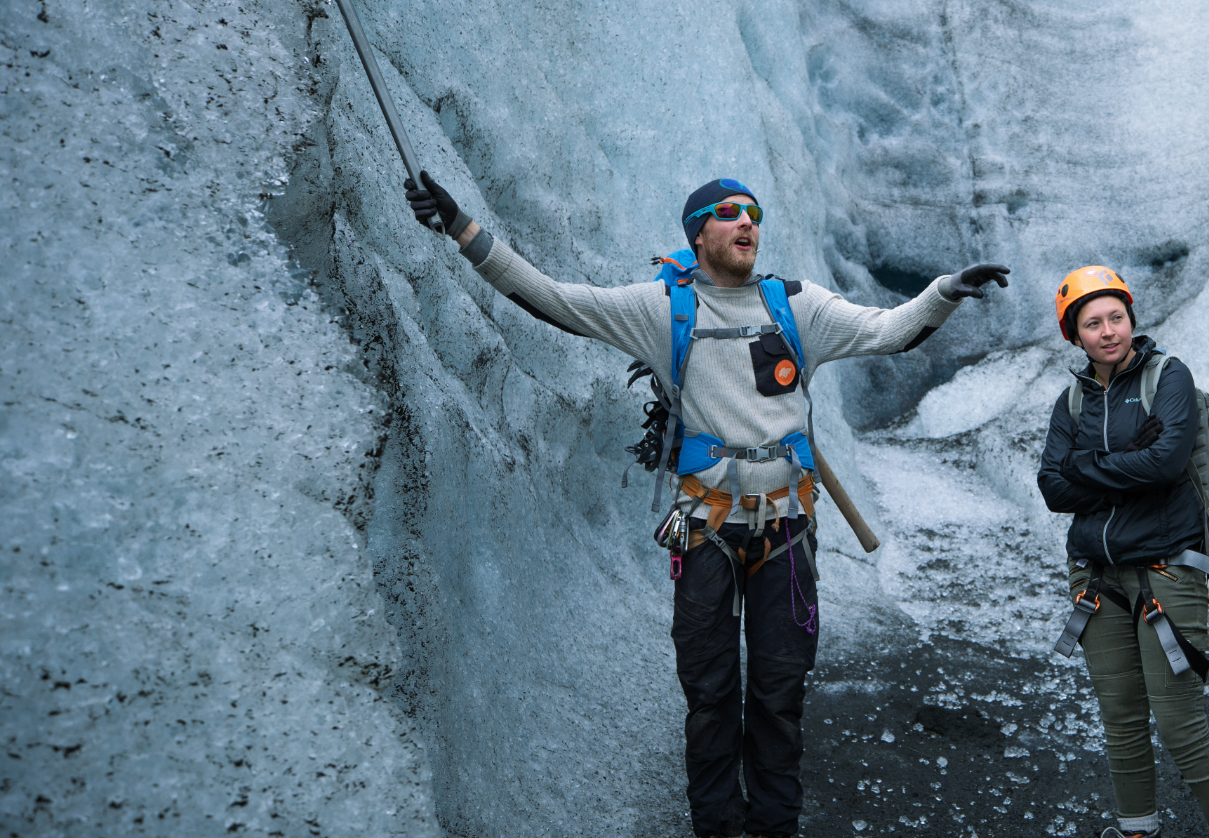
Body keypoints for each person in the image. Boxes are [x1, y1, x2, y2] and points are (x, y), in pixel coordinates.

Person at [404, 172, 1008, 838]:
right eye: (728, 213)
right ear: (698, 233)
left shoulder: (797, 305)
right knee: (711, 697)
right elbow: (552, 300)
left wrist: (945, 292)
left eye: (753, 212)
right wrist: (462, 229)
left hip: (786, 528)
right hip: (705, 532)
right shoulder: (663, 309)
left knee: (778, 697)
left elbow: (891, 332)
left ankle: (775, 827)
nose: (747, 222)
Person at [1037, 267, 1209, 838]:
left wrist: (1084, 466)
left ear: (1131, 319)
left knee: (1181, 727)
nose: (1108, 331)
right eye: (1093, 323)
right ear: (1073, 335)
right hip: (1096, 578)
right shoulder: (1073, 400)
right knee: (1122, 722)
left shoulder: (1168, 376)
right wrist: (1118, 465)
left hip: (1167, 573)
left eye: (1116, 317)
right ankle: (1137, 832)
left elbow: (1165, 463)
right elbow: (1053, 489)